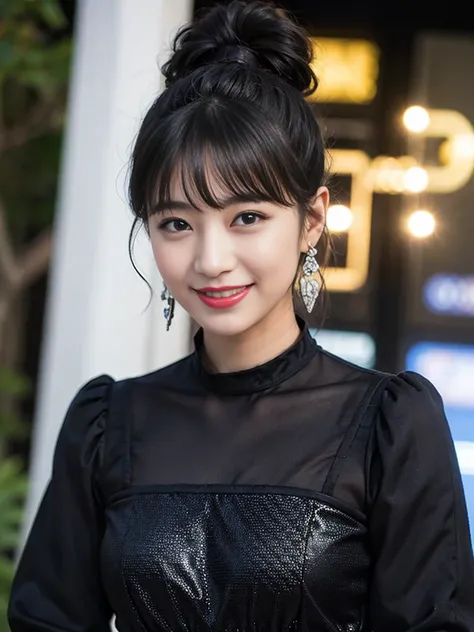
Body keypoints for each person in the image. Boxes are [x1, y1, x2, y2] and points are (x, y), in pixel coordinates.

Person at [8, 1, 474, 631]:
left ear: (312, 220)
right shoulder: (107, 425)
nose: (210, 259)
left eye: (246, 218)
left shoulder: (389, 427)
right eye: (176, 223)